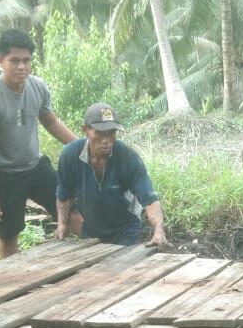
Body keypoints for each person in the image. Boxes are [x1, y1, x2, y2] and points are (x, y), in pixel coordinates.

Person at [0, 28, 76, 257]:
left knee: (71, 210)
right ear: (0, 61)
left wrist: (82, 147)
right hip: (6, 173)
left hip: (36, 166)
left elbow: (51, 122)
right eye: (14, 61)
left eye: (26, 60)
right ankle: (12, 279)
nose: (21, 66)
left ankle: (87, 261)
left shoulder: (38, 86)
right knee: (9, 234)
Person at [55, 103, 169, 248]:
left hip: (125, 229)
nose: (106, 140)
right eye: (100, 133)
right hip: (91, 228)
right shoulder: (70, 155)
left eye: (111, 133)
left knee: (123, 261)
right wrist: (62, 225)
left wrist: (158, 230)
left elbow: (150, 199)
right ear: (85, 130)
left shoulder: (128, 157)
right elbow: (64, 196)